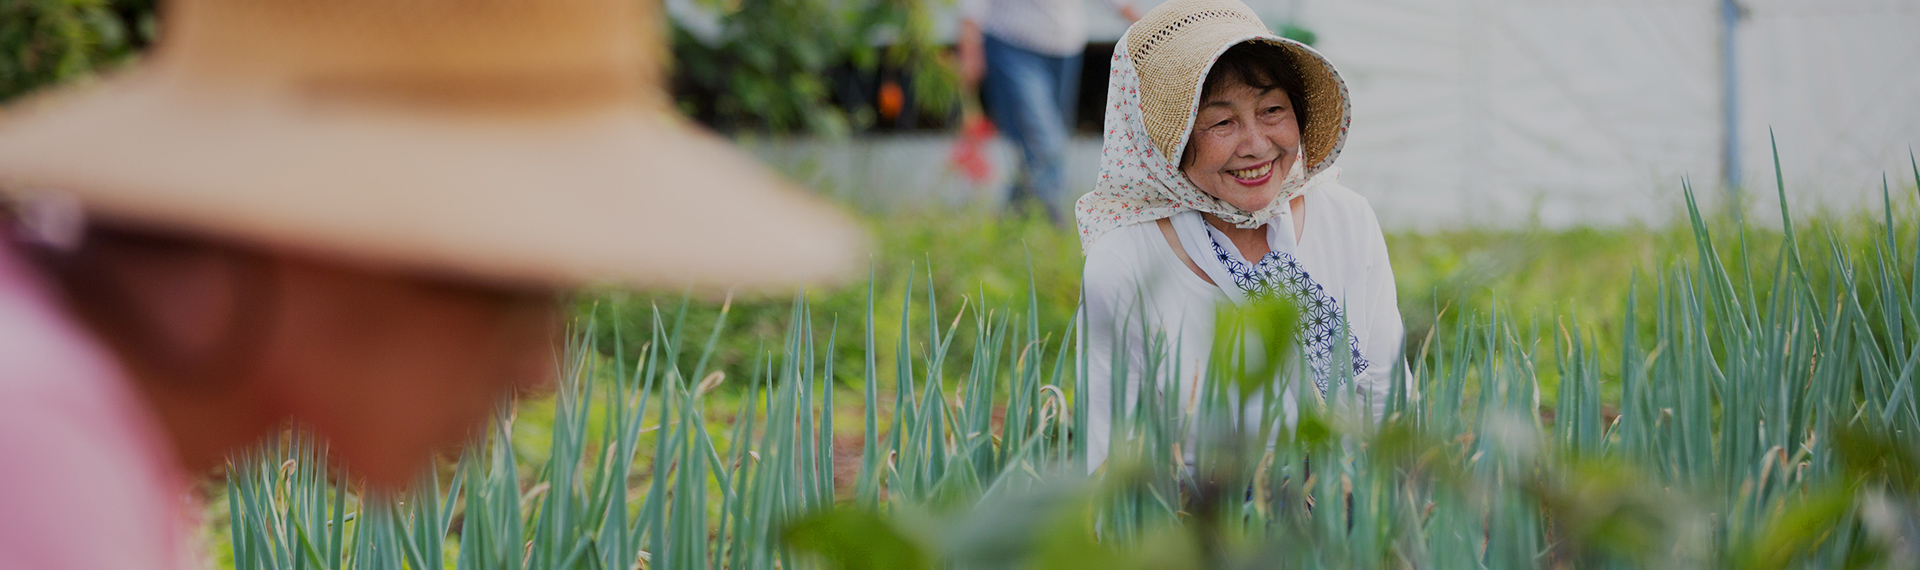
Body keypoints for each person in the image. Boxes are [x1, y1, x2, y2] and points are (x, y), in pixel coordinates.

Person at [0, 0, 863, 568]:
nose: (540, 370)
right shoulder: (37, 452)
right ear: (306, 234)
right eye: (502, 287)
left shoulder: (80, 419)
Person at [1076, 0, 1405, 470]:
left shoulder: (1346, 219)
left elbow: (1386, 398)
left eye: (1272, 109)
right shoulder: (1125, 260)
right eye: (1221, 122)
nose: (1255, 145)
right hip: (1201, 527)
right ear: (1163, 138)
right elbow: (1109, 457)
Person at [957, 0, 1140, 224]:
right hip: (1013, 45)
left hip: (1064, 51)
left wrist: (1150, 28)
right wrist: (969, 45)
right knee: (1046, 146)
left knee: (1042, 149)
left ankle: (1010, 225)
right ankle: (1051, 226)